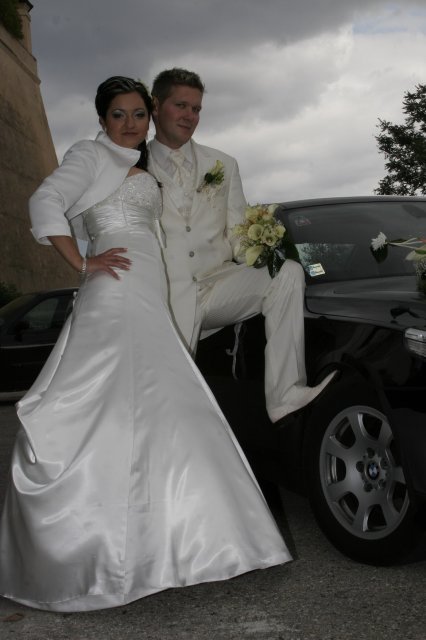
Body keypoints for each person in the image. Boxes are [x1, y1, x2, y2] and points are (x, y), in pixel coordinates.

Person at [0, 77, 291, 612]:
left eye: (138, 114)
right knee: (104, 406)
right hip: (115, 291)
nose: (130, 124)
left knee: (161, 406)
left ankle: (173, 543)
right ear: (102, 119)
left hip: (147, 292)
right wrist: (81, 262)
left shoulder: (136, 164)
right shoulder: (90, 155)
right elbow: (45, 200)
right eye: (119, 114)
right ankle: (101, 551)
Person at [147, 68, 335, 424]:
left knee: (287, 273)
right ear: (156, 106)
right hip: (164, 294)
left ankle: (285, 395)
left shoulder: (224, 164)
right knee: (168, 403)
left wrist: (262, 247)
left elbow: (236, 234)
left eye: (196, 109)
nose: (190, 116)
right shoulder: (132, 164)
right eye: (181, 106)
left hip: (216, 286)